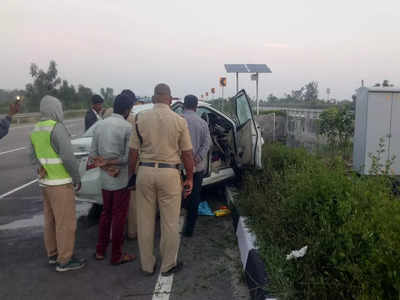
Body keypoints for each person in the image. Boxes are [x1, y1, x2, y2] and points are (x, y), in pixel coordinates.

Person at [129, 83, 194, 276]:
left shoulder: (140, 118)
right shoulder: (179, 121)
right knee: (170, 222)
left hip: (145, 172)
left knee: (145, 221)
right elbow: (188, 154)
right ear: (170, 98)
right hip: (169, 174)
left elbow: (132, 153)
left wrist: (132, 175)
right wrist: (189, 177)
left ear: (154, 97)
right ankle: (168, 265)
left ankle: (147, 265)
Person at [29, 95, 86, 272]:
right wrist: (76, 178)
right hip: (61, 184)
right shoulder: (57, 128)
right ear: (55, 109)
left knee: (50, 221)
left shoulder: (36, 128)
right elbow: (68, 158)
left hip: (45, 183)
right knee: (66, 223)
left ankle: (53, 254)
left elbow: (32, 157)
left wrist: (43, 168)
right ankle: (65, 260)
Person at [91, 93, 136, 265]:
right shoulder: (126, 127)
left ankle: (100, 250)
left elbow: (93, 155)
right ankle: (117, 255)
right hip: (121, 180)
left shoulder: (99, 125)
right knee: (119, 216)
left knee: (106, 214)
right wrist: (112, 164)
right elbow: (126, 158)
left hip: (105, 179)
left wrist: (106, 166)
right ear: (126, 110)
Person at [182, 95, 211, 237]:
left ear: (184, 105)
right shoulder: (203, 123)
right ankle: (189, 230)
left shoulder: (178, 121)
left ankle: (175, 227)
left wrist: (185, 161)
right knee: (194, 198)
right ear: (196, 107)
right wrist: (196, 159)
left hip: (179, 168)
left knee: (178, 198)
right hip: (197, 169)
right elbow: (207, 144)